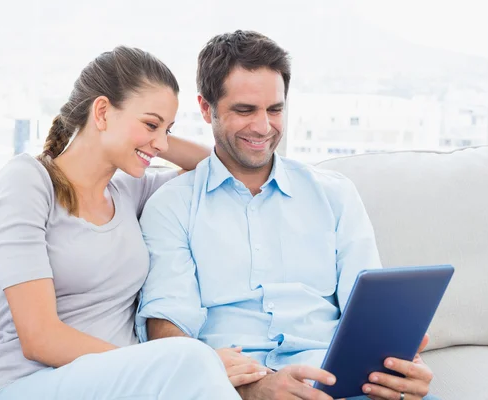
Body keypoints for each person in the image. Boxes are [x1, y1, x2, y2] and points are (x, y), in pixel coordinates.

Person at [137, 31, 438, 400]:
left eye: (275, 110)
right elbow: (167, 328)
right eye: (245, 110)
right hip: (230, 389)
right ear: (205, 108)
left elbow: (371, 313)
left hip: (337, 385)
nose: (263, 127)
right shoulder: (172, 206)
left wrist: (401, 367)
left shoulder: (335, 194)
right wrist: (254, 388)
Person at [0, 46, 241, 400]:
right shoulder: (28, 181)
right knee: (195, 358)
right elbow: (39, 338)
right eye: (151, 123)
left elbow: (215, 166)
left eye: (168, 130)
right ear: (101, 111)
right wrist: (157, 366)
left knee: (193, 362)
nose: (161, 143)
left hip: (124, 384)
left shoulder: (129, 191)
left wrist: (152, 135)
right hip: (30, 385)